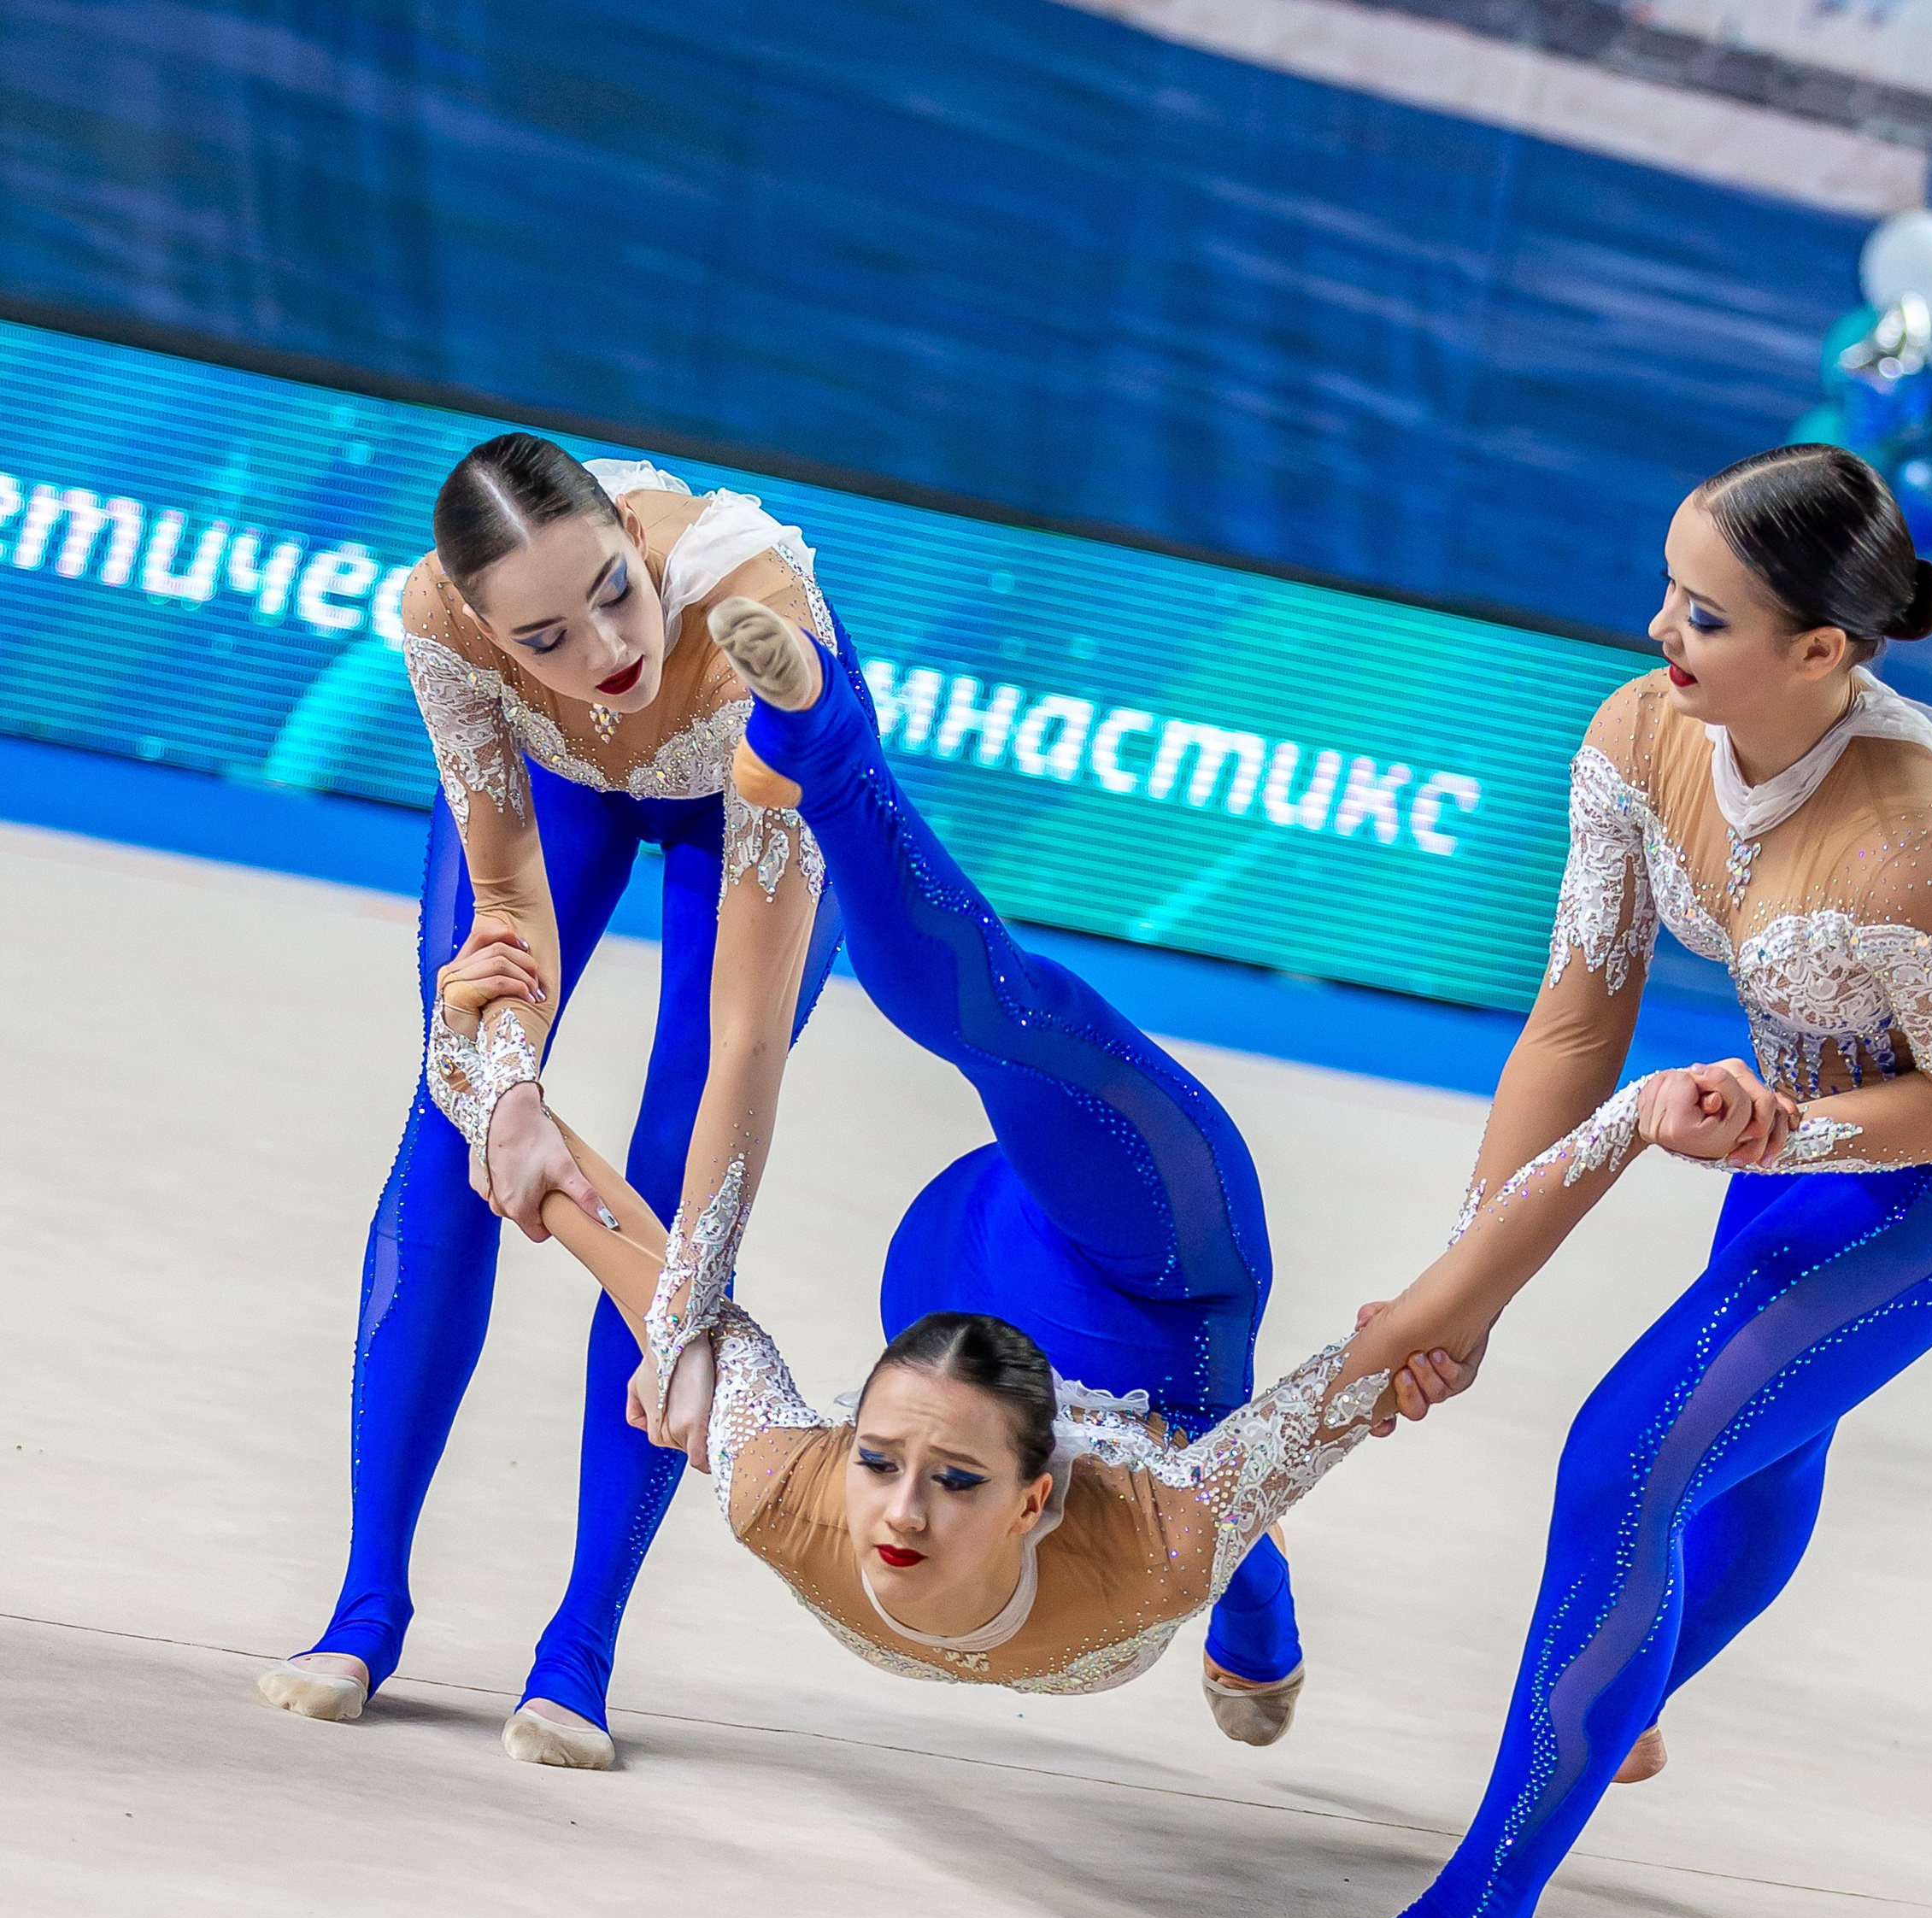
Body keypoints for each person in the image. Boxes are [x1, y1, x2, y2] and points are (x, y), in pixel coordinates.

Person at [1248, 443, 1932, 1918]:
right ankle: (1635, 1675)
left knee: (1632, 1456)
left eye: (1703, 616)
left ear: (1823, 651)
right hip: (1790, 1142)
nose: (1656, 632)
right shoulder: (1642, 738)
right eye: (1667, 589)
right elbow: (1575, 1028)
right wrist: (1464, 1283)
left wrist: (1788, 1133)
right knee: (1749, 1438)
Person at [436, 587, 1472, 1735]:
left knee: (1011, 1021)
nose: (903, 1514)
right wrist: (1471, 1304)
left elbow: (640, 1268)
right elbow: (1390, 1350)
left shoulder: (785, 1492)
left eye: (912, 1475)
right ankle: (1258, 1588)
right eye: (892, 1471)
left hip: (954, 1301)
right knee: (1216, 1523)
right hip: (1159, 1298)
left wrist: (494, 1092)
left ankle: (828, 758)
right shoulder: (1162, 1538)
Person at [256, 437, 846, 1768]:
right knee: (455, 1114)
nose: (604, 652)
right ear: (479, 624)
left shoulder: (753, 608)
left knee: (669, 1200)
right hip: (557, 802)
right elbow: (507, 909)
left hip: (749, 788)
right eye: (544, 635)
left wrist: (685, 1299)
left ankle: (580, 1645)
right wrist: (509, 1093)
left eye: (616, 596)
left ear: (642, 548)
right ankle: (364, 1608)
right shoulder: (434, 623)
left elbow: (745, 1041)